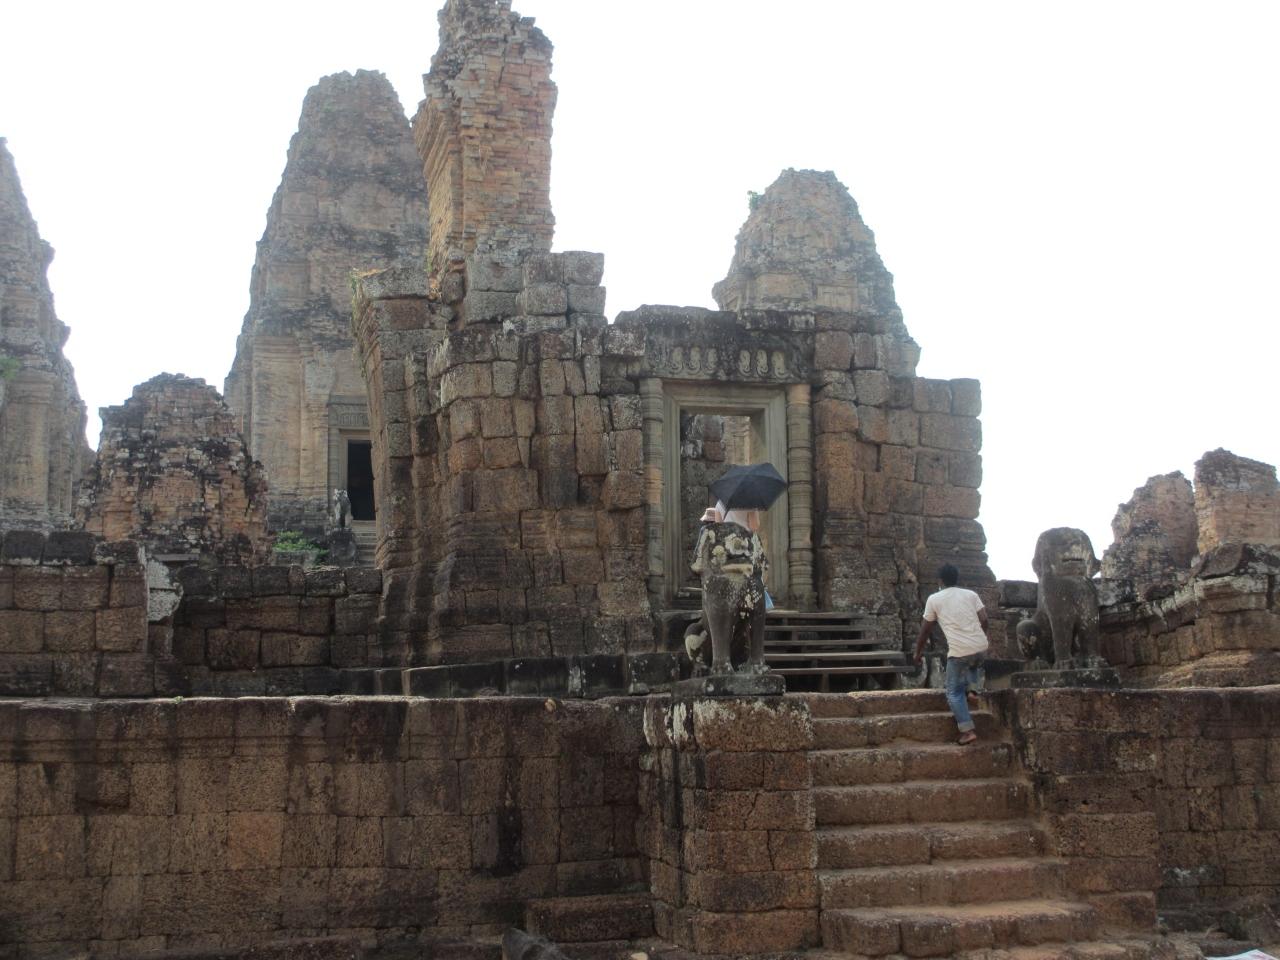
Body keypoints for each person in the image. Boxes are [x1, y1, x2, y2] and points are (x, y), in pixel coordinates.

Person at [913, 563, 989, 745]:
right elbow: (985, 619)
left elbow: (925, 630)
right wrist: (980, 637)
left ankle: (967, 731)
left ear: (940, 581)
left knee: (953, 693)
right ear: (957, 579)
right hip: (980, 646)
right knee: (973, 661)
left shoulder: (934, 599)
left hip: (960, 651)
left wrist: (918, 652)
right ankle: (972, 690)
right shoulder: (971, 595)